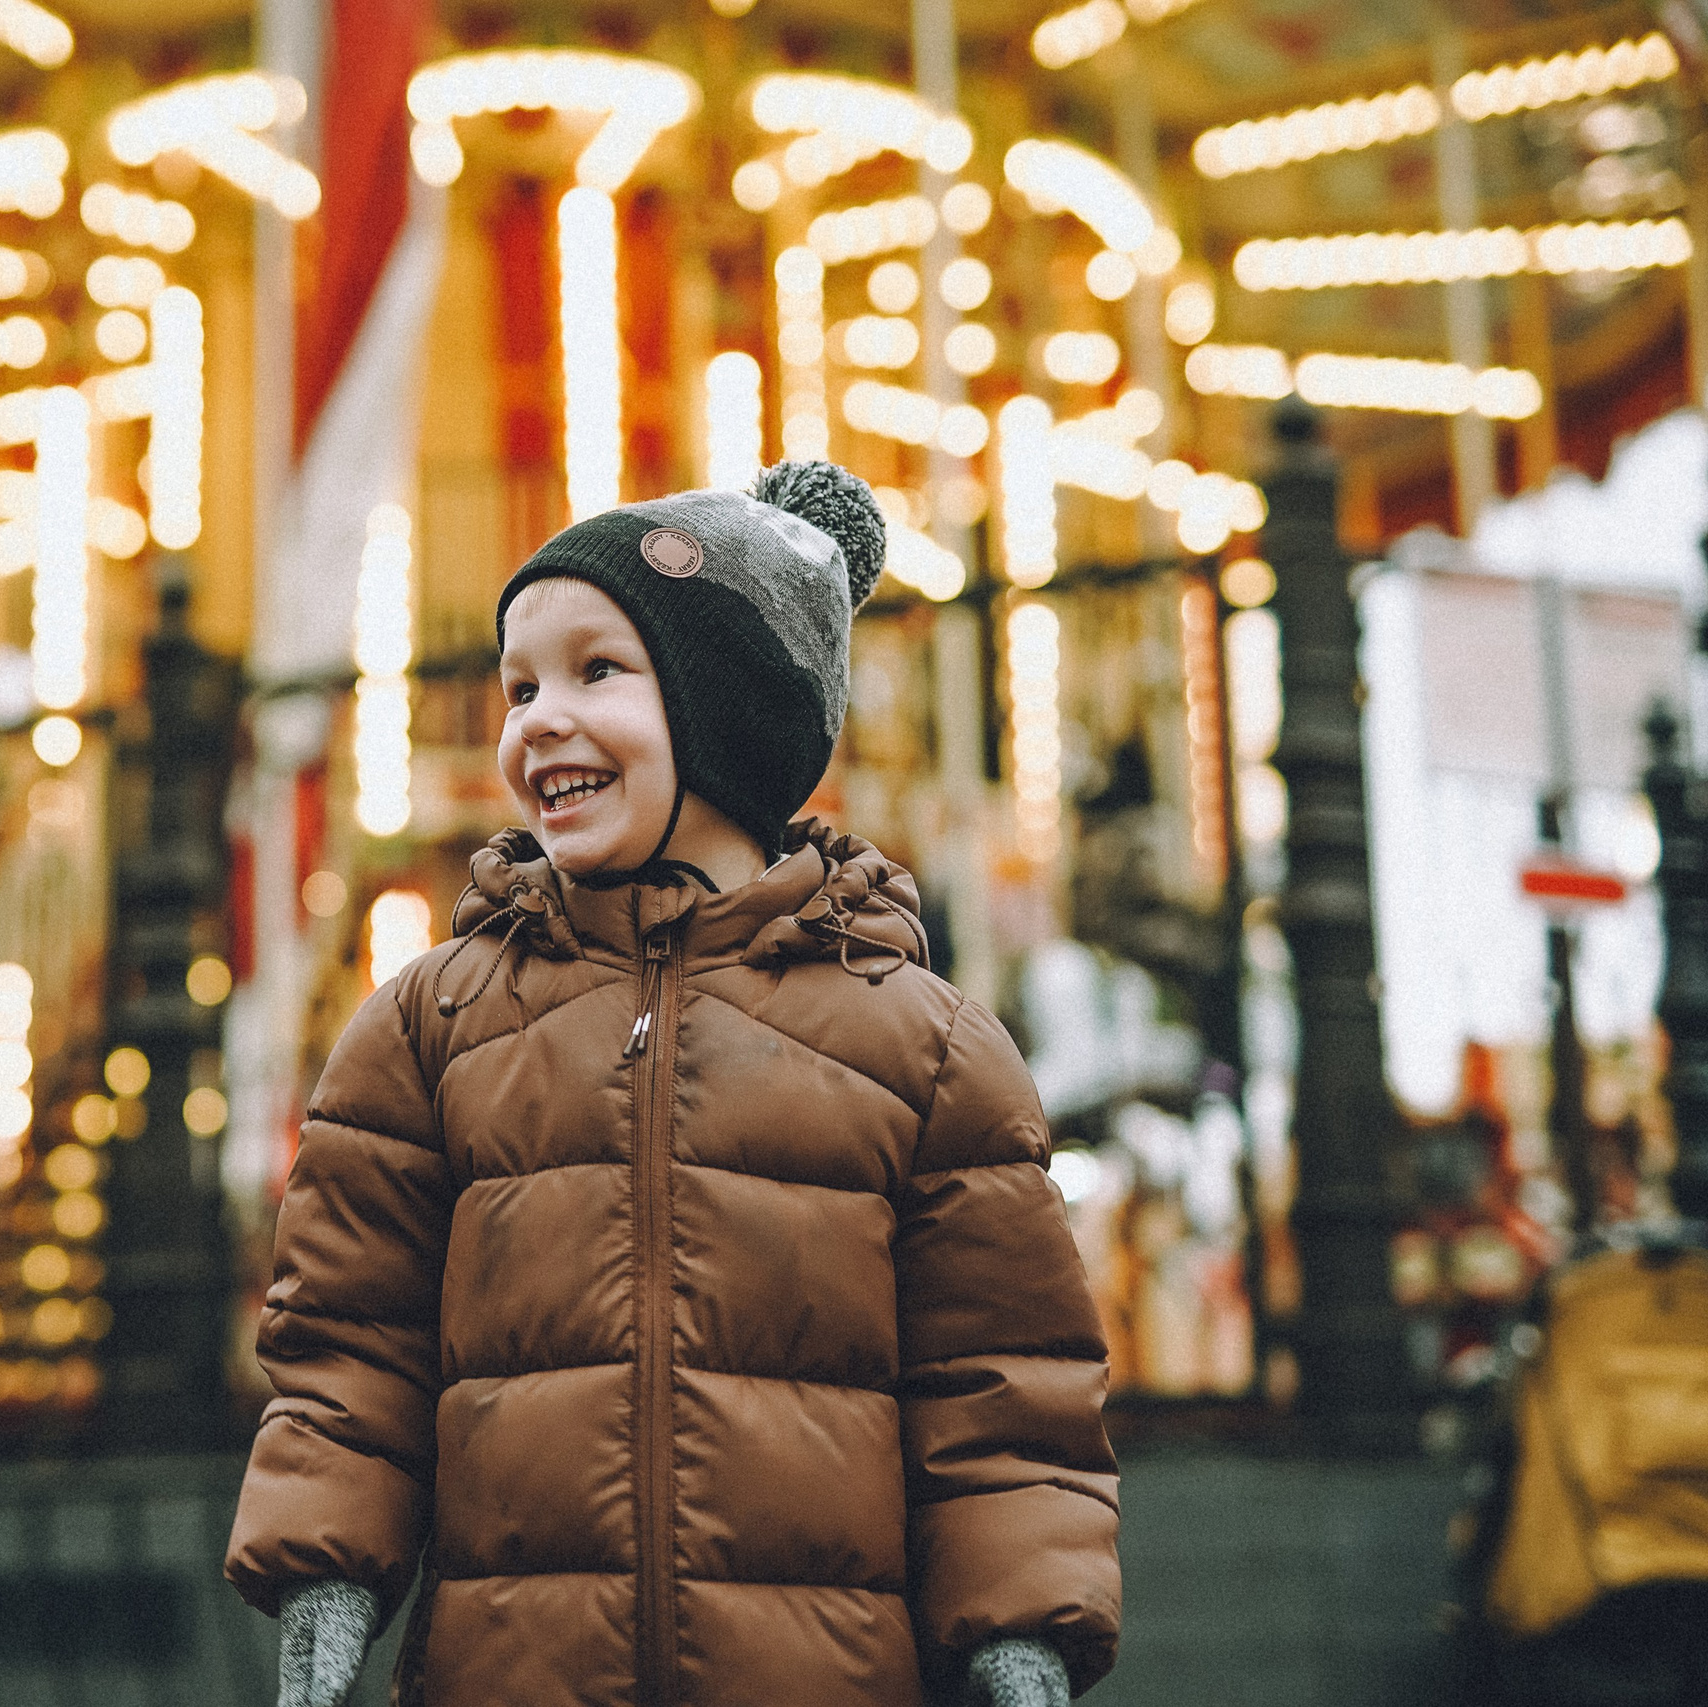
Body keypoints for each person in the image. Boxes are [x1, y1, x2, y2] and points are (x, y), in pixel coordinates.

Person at [225, 462, 1122, 1707]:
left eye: (598, 670)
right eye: (519, 684)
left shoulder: (923, 1048)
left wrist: (1018, 1634)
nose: (538, 717)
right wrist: (329, 1574)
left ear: (732, 710)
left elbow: (1000, 1394)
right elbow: (350, 1352)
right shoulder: (431, 1027)